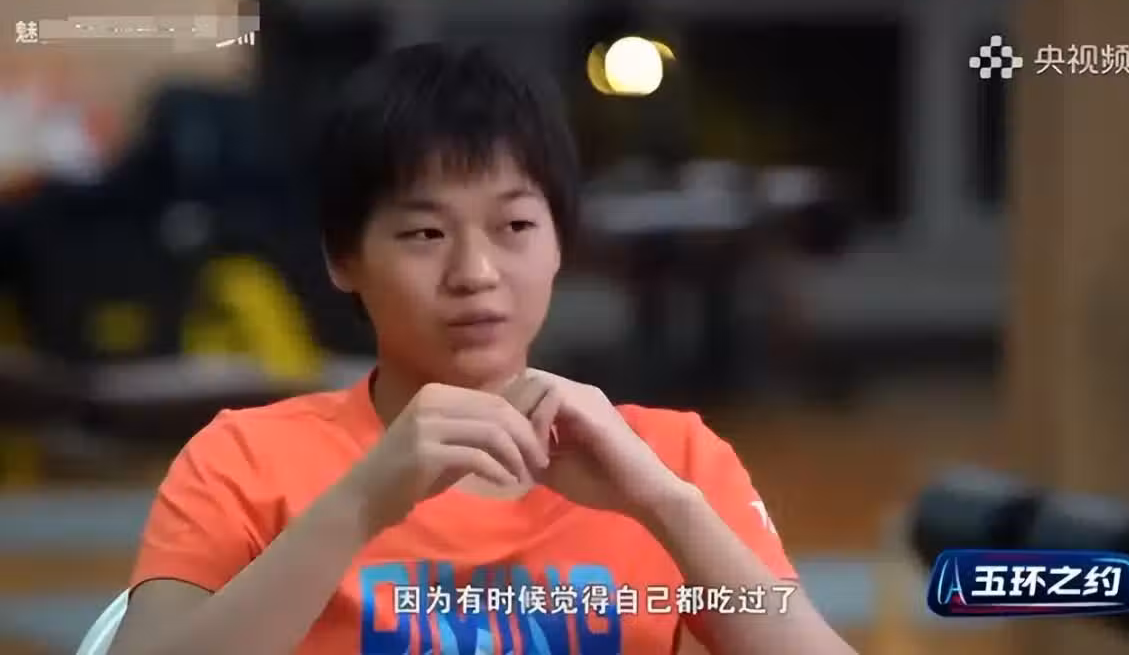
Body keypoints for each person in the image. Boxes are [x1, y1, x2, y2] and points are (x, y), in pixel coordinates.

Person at [109, 43, 855, 655]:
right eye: (425, 233)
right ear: (343, 258)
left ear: (561, 243)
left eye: (515, 227)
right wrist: (362, 504)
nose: (475, 273)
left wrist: (665, 505)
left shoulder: (673, 459)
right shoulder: (242, 463)